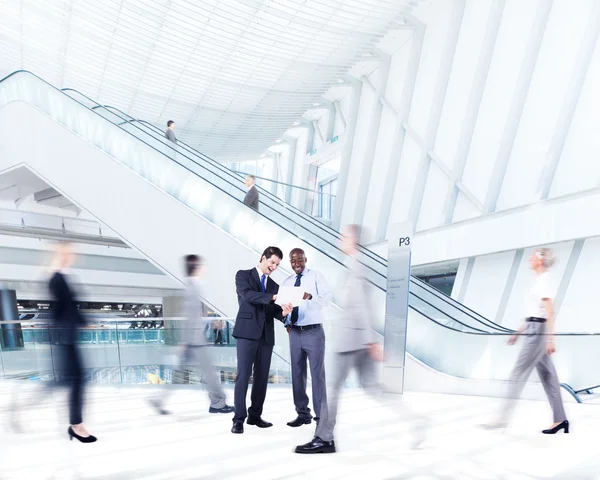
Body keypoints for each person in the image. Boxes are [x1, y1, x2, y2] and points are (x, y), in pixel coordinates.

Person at [295, 225, 425, 454]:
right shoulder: (355, 266)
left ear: (353, 240)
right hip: (359, 339)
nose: (340, 239)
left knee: (330, 389)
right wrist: (370, 340)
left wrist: (371, 341)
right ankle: (416, 420)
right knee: (373, 388)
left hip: (350, 341)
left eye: (344, 236)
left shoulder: (356, 267)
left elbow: (362, 307)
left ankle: (324, 439)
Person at [484, 248, 568, 434]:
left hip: (538, 333)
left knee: (517, 375)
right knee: (549, 378)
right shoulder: (539, 281)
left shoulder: (544, 281)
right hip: (534, 329)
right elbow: (533, 315)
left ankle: (501, 419)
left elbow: (549, 312)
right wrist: (518, 332)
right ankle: (560, 419)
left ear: (540, 260)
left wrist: (549, 339)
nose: (529, 258)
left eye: (533, 255)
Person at [150, 255, 234, 416]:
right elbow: (191, 317)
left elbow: (194, 316)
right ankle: (218, 403)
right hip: (195, 342)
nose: (204, 268)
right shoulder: (193, 287)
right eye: (202, 266)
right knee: (209, 373)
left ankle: (159, 399)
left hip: (192, 341)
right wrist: (185, 341)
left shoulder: (192, 286)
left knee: (181, 373)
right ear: (196, 267)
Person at [231, 246, 293, 434]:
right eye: (272, 262)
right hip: (246, 333)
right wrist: (272, 297)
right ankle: (238, 419)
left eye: (277, 265)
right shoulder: (243, 275)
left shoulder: (274, 285)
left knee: (262, 378)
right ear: (263, 258)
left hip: (266, 336)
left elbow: (273, 310)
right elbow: (248, 296)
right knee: (243, 375)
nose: (274, 267)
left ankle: (255, 416)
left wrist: (283, 313)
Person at [49, 242, 97, 443]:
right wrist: (83, 322)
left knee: (73, 380)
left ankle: (75, 424)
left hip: (68, 336)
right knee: (76, 380)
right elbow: (64, 308)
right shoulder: (56, 278)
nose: (71, 256)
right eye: (67, 252)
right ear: (60, 254)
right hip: (65, 337)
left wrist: (84, 322)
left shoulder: (63, 277)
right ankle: (76, 426)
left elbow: (67, 308)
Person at [282, 248, 332, 427]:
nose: (297, 264)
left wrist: (309, 296)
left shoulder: (316, 276)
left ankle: (321, 417)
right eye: (293, 261)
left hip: (313, 332)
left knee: (317, 374)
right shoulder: (287, 282)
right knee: (297, 373)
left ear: (305, 259)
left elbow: (327, 299)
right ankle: (303, 414)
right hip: (294, 332)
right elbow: (283, 307)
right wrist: (286, 321)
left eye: (300, 260)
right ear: (290, 262)